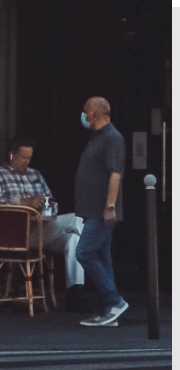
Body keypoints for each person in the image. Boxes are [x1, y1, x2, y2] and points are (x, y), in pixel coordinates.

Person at [0, 137, 88, 312]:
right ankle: (94, 255)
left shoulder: (35, 175)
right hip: (15, 235)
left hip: (41, 231)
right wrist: (24, 202)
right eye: (23, 157)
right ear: (12, 155)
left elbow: (52, 201)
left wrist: (45, 207)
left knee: (73, 239)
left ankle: (74, 293)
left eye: (29, 158)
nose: (27, 162)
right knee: (78, 220)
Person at [75, 97, 127, 328]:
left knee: (84, 252)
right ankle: (110, 311)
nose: (83, 114)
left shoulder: (112, 138)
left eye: (86, 111)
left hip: (101, 210)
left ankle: (115, 301)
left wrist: (110, 206)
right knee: (103, 257)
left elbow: (115, 174)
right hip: (93, 210)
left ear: (95, 114)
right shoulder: (97, 137)